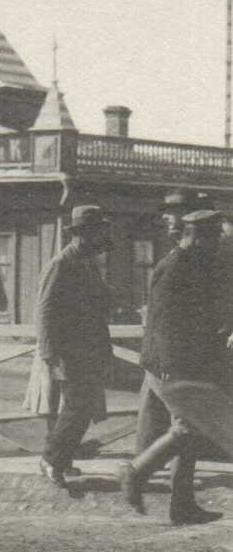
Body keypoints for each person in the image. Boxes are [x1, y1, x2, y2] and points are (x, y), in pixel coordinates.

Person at [117, 211, 228, 525]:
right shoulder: (177, 267)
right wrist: (171, 367)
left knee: (189, 431)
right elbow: (164, 321)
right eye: (212, 237)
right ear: (194, 235)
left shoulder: (192, 264)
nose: (217, 243)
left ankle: (182, 505)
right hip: (171, 366)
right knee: (187, 428)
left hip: (179, 364)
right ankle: (135, 473)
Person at [34, 204, 114, 487]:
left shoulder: (89, 262)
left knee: (82, 406)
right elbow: (44, 309)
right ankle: (51, 460)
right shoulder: (61, 263)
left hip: (89, 348)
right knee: (78, 406)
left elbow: (100, 300)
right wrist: (47, 352)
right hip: (68, 350)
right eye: (98, 231)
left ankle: (62, 460)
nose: (102, 237)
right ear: (83, 233)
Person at [133, 189, 211, 461]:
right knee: (182, 422)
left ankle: (142, 473)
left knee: (160, 416)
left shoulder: (191, 256)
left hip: (164, 354)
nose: (166, 217)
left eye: (172, 212)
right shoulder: (177, 259)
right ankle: (139, 473)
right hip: (166, 356)